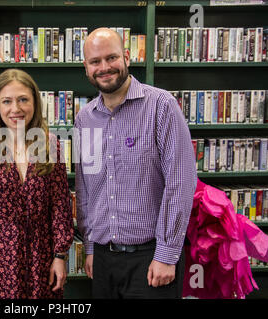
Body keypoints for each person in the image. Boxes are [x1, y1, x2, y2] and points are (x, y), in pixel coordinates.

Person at [75, 27, 197, 299]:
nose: (104, 67)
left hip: (152, 258)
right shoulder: (84, 119)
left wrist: (167, 254)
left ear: (127, 57)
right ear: (86, 67)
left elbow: (181, 183)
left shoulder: (161, 106)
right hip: (104, 260)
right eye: (95, 61)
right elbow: (86, 187)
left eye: (111, 58)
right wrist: (91, 247)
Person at [0, 69, 74, 299]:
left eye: (23, 100)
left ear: (34, 102)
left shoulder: (50, 145)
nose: (16, 109)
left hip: (42, 258)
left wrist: (60, 256)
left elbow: (60, 205)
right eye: (7, 101)